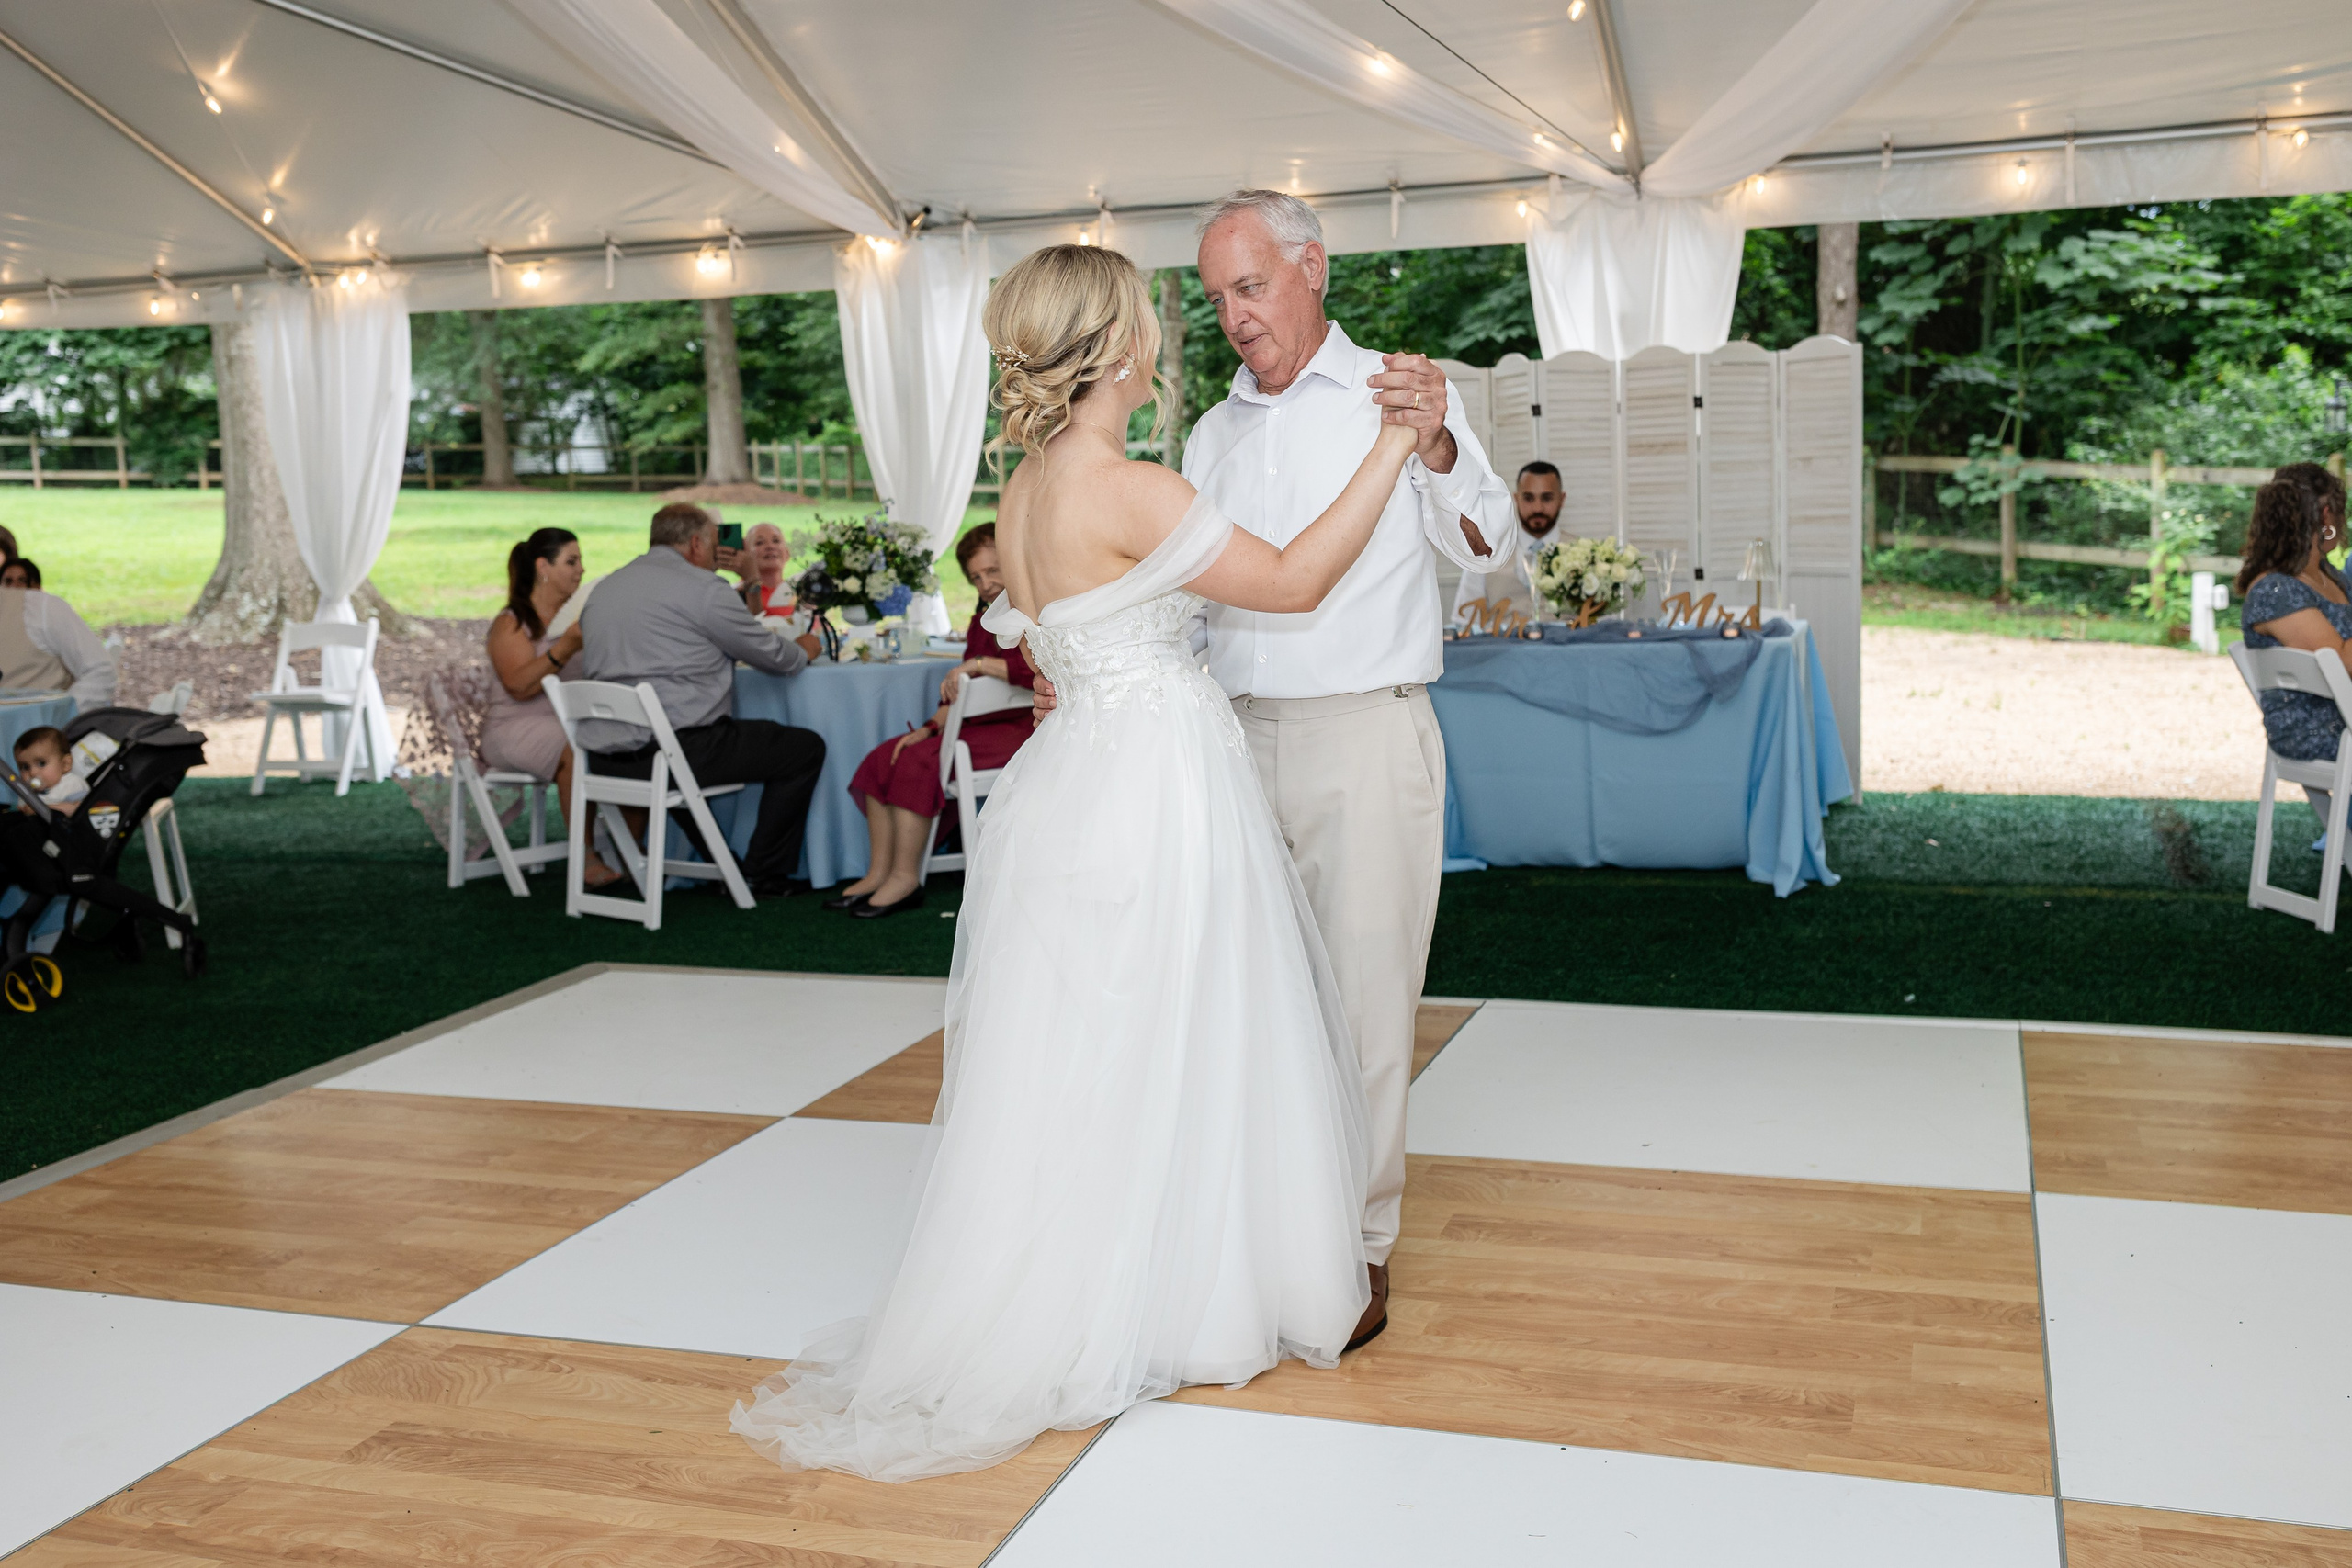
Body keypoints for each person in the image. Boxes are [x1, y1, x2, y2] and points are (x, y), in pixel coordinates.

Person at [730, 242, 1420, 1481]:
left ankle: (1082, 1287)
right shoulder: (1130, 485)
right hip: (1156, 778)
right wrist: (1390, 446)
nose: (1170, 333)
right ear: (1112, 348)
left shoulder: (1025, 494)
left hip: (1072, 785)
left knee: (1087, 1045)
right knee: (1184, 1025)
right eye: (1153, 320)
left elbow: (1054, 659)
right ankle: (1176, 1296)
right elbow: (1299, 580)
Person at [1184, 188, 1510, 1348]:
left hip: (1364, 735)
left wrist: (1432, 446)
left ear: (1312, 268)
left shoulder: (1405, 395)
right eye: (1218, 294)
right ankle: (1265, 1225)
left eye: (1251, 285)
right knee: (1249, 1003)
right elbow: (1193, 594)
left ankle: (1362, 1249)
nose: (1232, 314)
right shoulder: (1210, 434)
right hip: (1226, 741)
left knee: (1367, 1007)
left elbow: (1490, 548)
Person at [576, 502, 827, 897]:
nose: (716, 554)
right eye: (714, 543)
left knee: (692, 748)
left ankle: (723, 862)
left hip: (605, 757)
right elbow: (777, 659)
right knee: (803, 748)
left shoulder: (606, 587)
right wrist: (807, 649)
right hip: (674, 753)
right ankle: (764, 872)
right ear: (696, 543)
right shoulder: (703, 590)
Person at [826, 524, 1035, 919]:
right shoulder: (982, 622)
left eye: (993, 571)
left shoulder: (1036, 613)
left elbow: (1039, 672)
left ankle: (906, 877)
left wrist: (979, 664)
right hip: (973, 727)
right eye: (976, 577)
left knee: (919, 762)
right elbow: (958, 693)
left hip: (1024, 728)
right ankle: (879, 871)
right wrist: (929, 727)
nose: (986, 583)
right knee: (887, 755)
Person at [483, 528, 620, 889]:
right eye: (571, 561)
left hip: (570, 721)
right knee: (577, 747)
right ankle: (585, 852)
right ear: (542, 567)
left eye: (581, 561)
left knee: (627, 739)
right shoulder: (513, 621)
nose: (582, 570)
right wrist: (568, 646)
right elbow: (520, 685)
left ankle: (628, 847)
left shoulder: (578, 617)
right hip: (515, 726)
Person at [2237, 462, 2352, 832]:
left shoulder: (2325, 576)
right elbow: (2344, 667)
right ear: (2325, 515)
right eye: (2342, 510)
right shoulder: (2277, 590)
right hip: (2319, 730)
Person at [1452, 460, 1563, 623]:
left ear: (1562, 499)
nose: (1538, 508)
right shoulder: (1486, 553)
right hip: (1502, 646)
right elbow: (1464, 622)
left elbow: (1603, 624)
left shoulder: (1588, 555)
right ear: (1516, 499)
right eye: (1528, 498)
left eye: (1546, 498)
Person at [0, 556, 116, 708]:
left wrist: (61, 716)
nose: (15, 586)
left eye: (22, 580)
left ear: (36, 585)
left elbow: (100, 670)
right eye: (8, 581)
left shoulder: (42, 609)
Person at [12, 727, 85, 814]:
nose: (32, 772)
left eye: (41, 764)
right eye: (25, 767)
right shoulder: (27, 790)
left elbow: (78, 810)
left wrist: (41, 809)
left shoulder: (71, 784)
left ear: (65, 764)